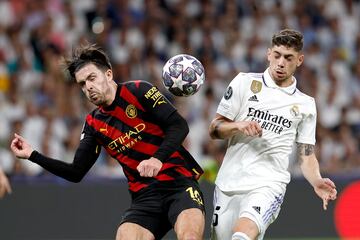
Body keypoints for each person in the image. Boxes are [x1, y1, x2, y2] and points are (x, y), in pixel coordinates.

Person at [10, 44, 205, 240]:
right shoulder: (93, 124)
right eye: (82, 84)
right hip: (145, 197)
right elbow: (76, 172)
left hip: (179, 185)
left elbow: (179, 126)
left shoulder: (139, 90)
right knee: (125, 236)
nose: (88, 87)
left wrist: (157, 159)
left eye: (92, 78)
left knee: (190, 236)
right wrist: (32, 155)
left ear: (109, 75)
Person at [208, 29, 337, 240]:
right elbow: (215, 129)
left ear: (300, 60)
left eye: (288, 58)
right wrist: (238, 126)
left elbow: (306, 153)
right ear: (268, 54)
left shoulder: (305, 105)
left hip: (269, 184)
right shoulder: (244, 83)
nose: (280, 63)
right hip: (229, 182)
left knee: (242, 234)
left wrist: (316, 180)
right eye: (276, 55)